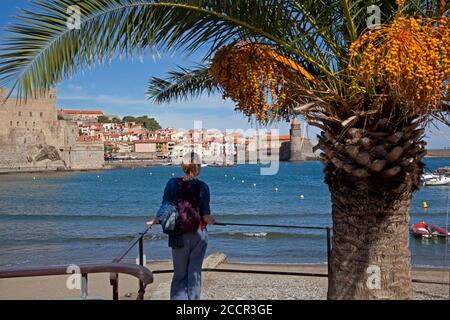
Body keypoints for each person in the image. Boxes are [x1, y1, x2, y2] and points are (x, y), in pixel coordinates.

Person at [147, 152, 215, 300]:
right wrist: (213, 220)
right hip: (199, 235)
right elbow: (206, 217)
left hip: (179, 235)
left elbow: (165, 206)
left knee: (179, 275)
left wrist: (155, 220)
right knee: (195, 273)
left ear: (183, 166)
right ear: (198, 167)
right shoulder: (203, 187)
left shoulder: (172, 183)